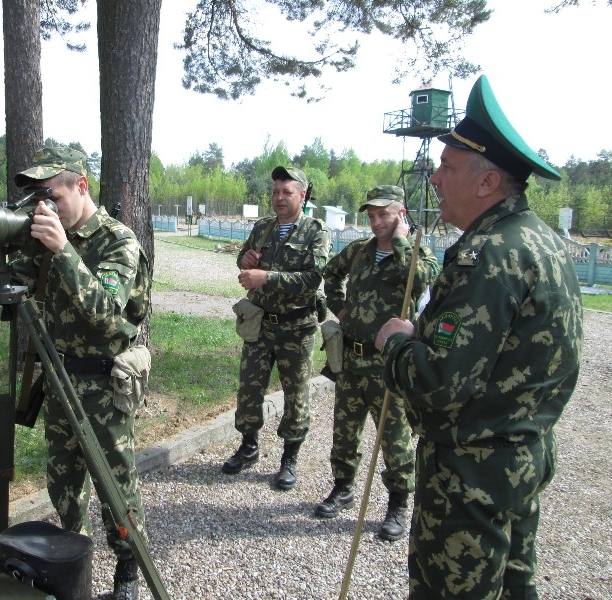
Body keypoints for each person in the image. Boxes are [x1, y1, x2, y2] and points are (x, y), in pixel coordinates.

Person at [376, 75, 584, 598]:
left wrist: (396, 342)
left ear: (488, 183)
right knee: (514, 585)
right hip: (519, 458)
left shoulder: (489, 255)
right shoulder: (542, 239)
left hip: (470, 471)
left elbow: (438, 382)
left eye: (447, 168)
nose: (435, 180)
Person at [0, 146, 151, 600]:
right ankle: (74, 566)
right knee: (64, 485)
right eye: (37, 197)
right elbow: (2, 291)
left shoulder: (118, 240)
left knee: (116, 487)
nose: (43, 205)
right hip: (58, 381)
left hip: (104, 387)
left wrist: (64, 249)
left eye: (50, 193)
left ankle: (128, 572)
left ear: (80, 185)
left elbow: (105, 312)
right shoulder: (43, 242)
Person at [315, 185, 439, 543]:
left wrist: (402, 241)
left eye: (383, 214)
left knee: (395, 439)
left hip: (389, 367)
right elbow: (330, 275)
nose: (375, 222)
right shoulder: (358, 251)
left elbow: (422, 282)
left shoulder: (416, 254)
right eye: (371, 215)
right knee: (344, 432)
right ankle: (343, 487)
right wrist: (339, 308)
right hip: (352, 362)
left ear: (400, 213)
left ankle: (398, 504)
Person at [222, 166, 331, 490]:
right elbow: (244, 257)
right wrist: (246, 261)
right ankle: (249, 446)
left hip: (296, 328)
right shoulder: (263, 227)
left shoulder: (316, 230)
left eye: (287, 192)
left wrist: (266, 276)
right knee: (249, 389)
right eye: (275, 192)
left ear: (302, 195)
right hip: (260, 325)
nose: (279, 198)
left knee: (296, 395)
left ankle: (289, 459)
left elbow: (313, 278)